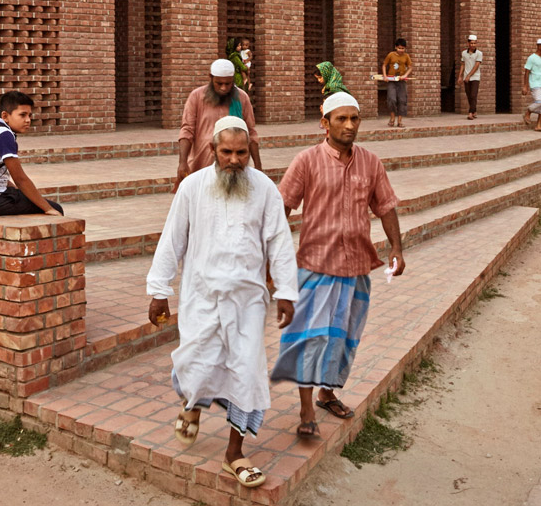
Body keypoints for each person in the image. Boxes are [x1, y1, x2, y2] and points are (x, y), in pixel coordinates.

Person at [147, 116, 296, 489]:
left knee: (246, 371)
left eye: (241, 153)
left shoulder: (264, 189)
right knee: (196, 361)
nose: (234, 160)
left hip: (247, 301)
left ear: (250, 152)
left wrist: (287, 292)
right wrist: (158, 289)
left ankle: (234, 454)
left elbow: (279, 242)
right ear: (212, 150)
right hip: (201, 295)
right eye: (226, 152)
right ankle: (193, 405)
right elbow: (172, 239)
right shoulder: (193, 187)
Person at [271, 92, 404, 440]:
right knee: (308, 338)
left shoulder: (370, 162)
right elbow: (281, 210)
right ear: (324, 122)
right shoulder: (307, 161)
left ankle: (327, 393)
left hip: (357, 267)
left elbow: (385, 207)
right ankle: (304, 411)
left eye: (354, 119)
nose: (349, 125)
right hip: (315, 266)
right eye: (341, 119)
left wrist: (397, 248)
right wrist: (273, 260)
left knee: (345, 338)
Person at [0, 90, 64, 215]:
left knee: (26, 196)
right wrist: (48, 209)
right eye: (22, 115)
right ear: (5, 116)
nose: (28, 120)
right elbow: (20, 178)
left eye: (29, 115)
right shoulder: (4, 134)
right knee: (56, 209)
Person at [177, 60, 262, 182]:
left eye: (228, 84)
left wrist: (258, 166)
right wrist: (182, 162)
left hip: (233, 165)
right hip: (201, 163)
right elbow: (187, 130)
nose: (224, 88)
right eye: (219, 83)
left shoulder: (241, 98)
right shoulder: (196, 96)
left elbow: (251, 133)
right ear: (211, 78)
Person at [380, 38, 413, 128]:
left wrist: (405, 75)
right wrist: (385, 76)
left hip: (401, 81)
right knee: (392, 99)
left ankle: (400, 121)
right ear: (395, 47)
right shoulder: (391, 55)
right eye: (399, 48)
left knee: (402, 100)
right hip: (391, 81)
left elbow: (410, 67)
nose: (401, 50)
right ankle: (392, 118)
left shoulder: (406, 56)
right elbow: (384, 65)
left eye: (402, 48)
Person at [522, 39, 541, 132]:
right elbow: (527, 72)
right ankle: (528, 112)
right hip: (535, 83)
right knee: (539, 102)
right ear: (538, 46)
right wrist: (525, 86)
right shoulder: (532, 58)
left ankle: (538, 125)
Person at [458, 35, 483, 120]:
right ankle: (474, 110)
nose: (473, 45)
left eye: (474, 43)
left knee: (473, 95)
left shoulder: (479, 53)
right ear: (468, 43)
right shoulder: (464, 53)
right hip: (466, 77)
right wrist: (460, 76)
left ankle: (470, 113)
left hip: (475, 77)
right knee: (469, 95)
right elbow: (462, 64)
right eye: (471, 43)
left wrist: (469, 75)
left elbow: (476, 66)